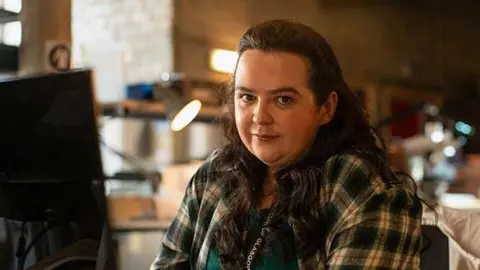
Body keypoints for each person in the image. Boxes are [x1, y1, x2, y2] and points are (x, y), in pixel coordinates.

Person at [151, 19, 422, 270]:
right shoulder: (216, 175)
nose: (260, 117)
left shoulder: (362, 189)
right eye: (247, 97)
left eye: (283, 100)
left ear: (326, 108)